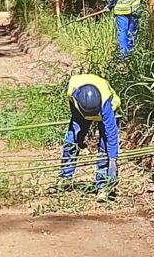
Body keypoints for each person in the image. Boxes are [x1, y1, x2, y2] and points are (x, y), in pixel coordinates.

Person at [48, 73, 120, 202]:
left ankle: (103, 185)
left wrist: (113, 160)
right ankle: (65, 178)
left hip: (106, 112)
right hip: (80, 112)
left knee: (105, 147)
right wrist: (80, 136)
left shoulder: (106, 105)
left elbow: (111, 136)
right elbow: (74, 114)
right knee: (72, 141)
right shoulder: (72, 91)